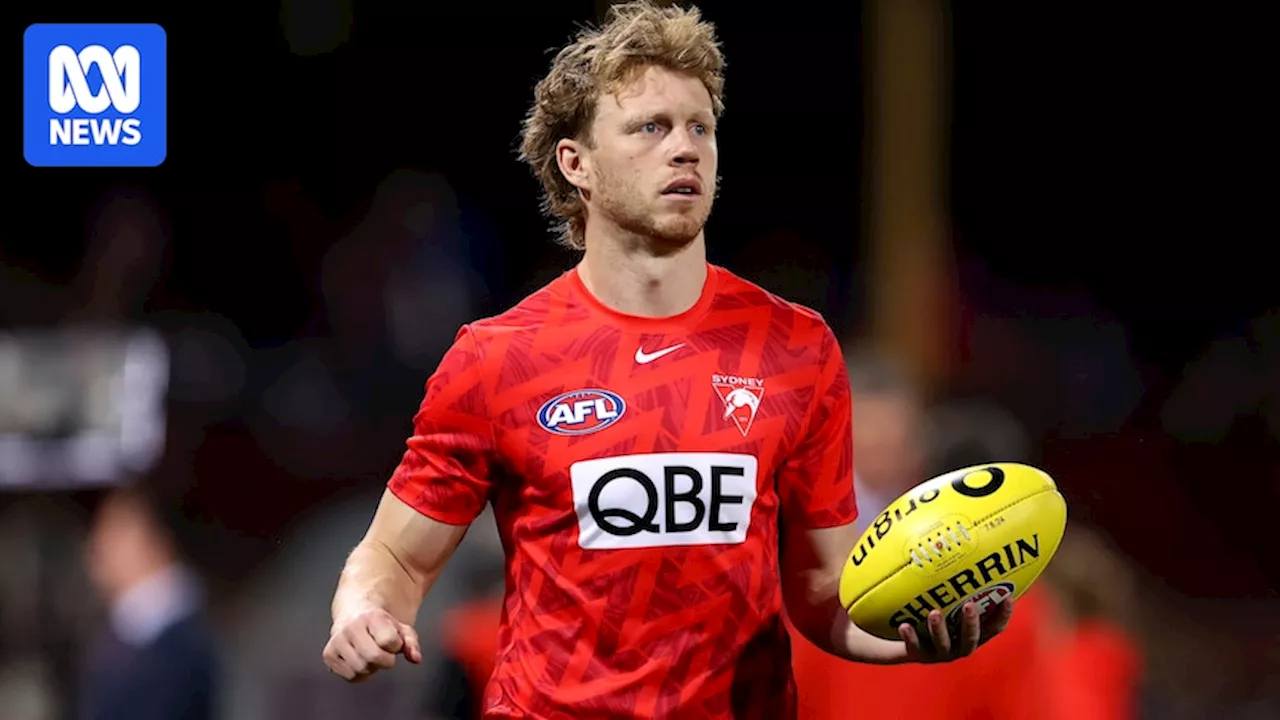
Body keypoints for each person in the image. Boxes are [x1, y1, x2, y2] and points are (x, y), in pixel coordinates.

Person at [321, 3, 1014, 718]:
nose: (684, 148)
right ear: (576, 163)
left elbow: (821, 591)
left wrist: (907, 642)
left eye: (700, 128)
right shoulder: (498, 359)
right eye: (651, 127)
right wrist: (358, 612)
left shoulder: (795, 347)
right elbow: (397, 559)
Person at [79, 485, 219, 720]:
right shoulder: (127, 632)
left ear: (154, 542)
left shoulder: (180, 645)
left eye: (116, 530)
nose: (98, 546)